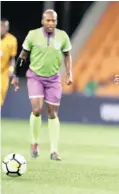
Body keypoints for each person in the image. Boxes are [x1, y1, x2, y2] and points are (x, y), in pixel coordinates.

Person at [11, 9, 73, 161]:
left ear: (56, 22)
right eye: (48, 20)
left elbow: (67, 55)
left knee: (53, 113)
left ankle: (53, 151)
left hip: (53, 79)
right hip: (35, 76)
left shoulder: (63, 36)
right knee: (37, 109)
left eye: (54, 21)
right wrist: (16, 75)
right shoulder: (33, 34)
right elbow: (23, 56)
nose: (51, 23)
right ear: (42, 21)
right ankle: (34, 142)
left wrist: (69, 73)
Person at [0, 18, 18, 106]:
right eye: (1, 26)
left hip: (3, 72)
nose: (3, 28)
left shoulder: (12, 40)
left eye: (5, 26)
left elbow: (12, 58)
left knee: (1, 95)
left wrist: (11, 69)